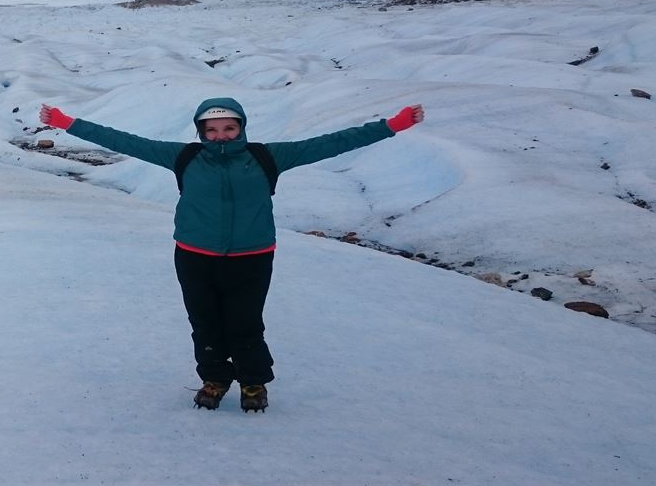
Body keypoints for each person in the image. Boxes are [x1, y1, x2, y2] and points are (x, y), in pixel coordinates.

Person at [38, 98, 424, 412]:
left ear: (241, 127)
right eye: (212, 129)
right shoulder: (184, 157)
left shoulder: (266, 157)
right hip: (194, 254)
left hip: (251, 256)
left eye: (228, 128)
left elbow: (331, 142)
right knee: (204, 321)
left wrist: (392, 125)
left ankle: (253, 383)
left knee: (245, 322)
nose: (221, 135)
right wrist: (67, 122)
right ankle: (215, 378)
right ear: (201, 132)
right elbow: (124, 141)